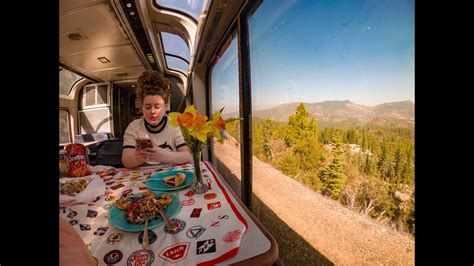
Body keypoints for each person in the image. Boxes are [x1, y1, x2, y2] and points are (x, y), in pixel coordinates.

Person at [122, 71, 192, 168]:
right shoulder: (133, 127)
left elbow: (188, 156)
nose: (152, 111)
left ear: (165, 106)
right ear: (141, 106)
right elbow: (126, 161)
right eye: (147, 107)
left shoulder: (174, 125)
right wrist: (139, 157)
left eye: (157, 107)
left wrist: (164, 156)